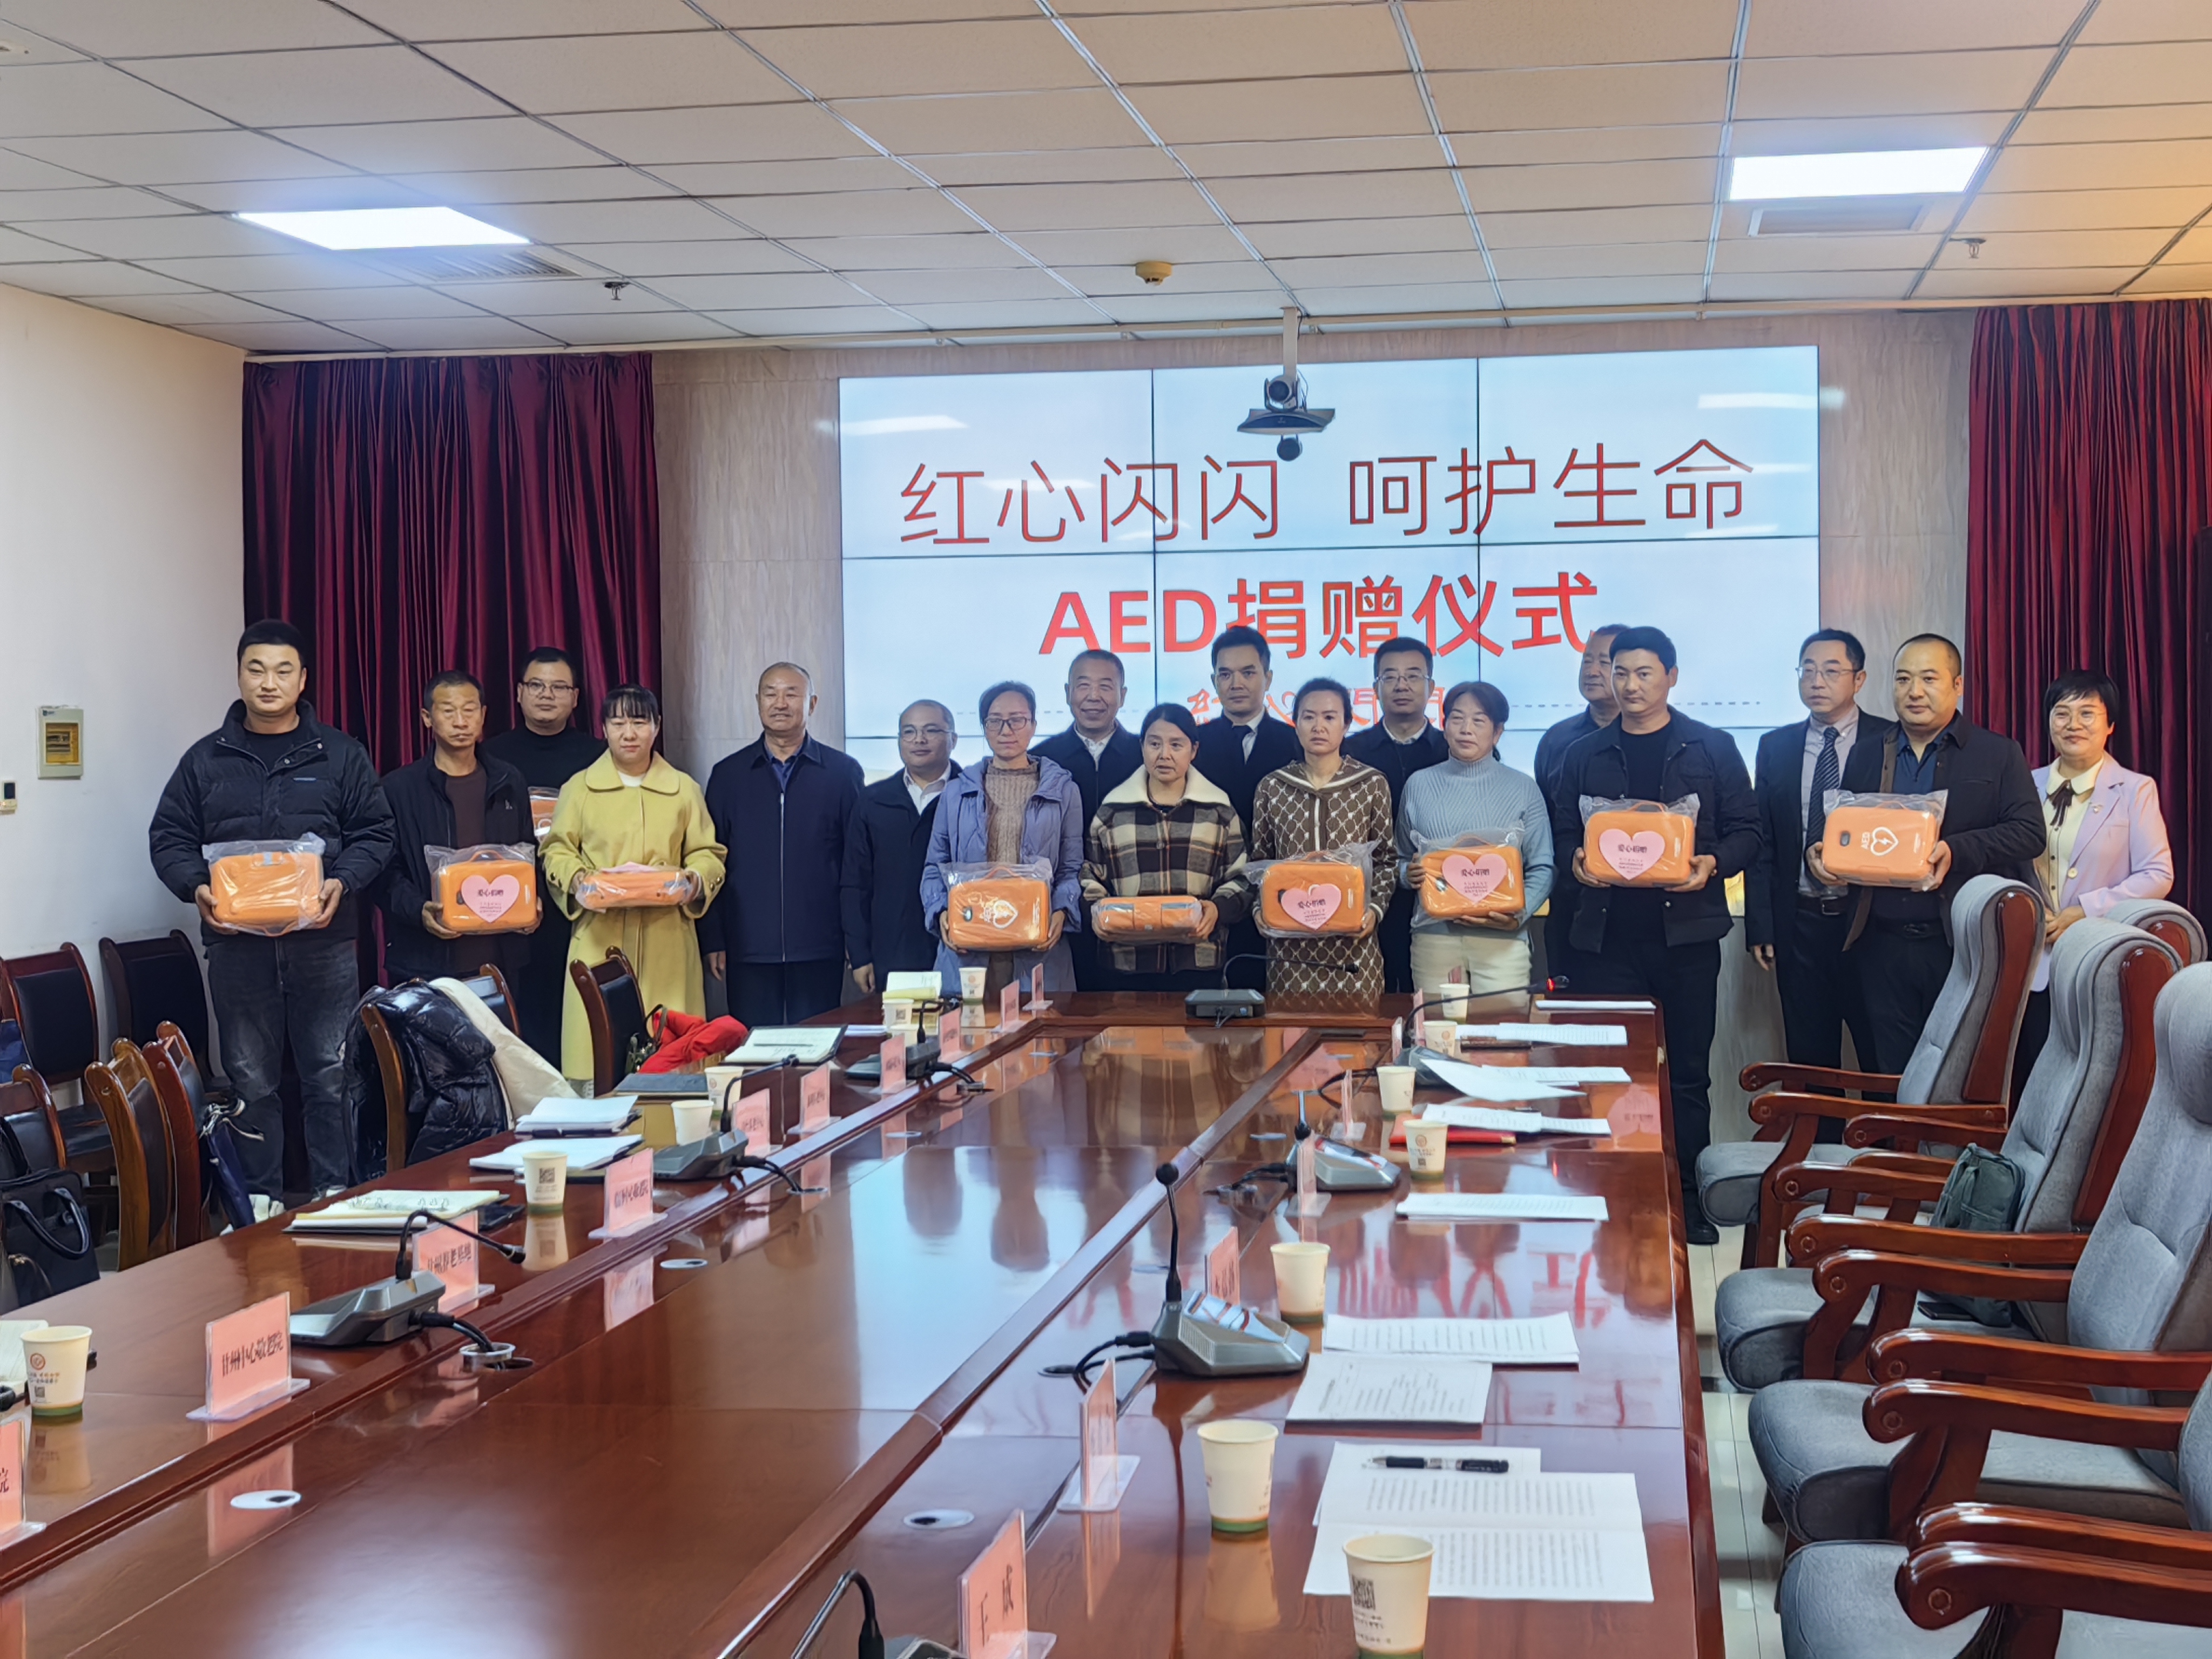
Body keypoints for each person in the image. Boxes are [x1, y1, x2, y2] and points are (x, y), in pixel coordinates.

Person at [148, 619, 395, 1201]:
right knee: (251, 1083)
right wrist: (196, 888)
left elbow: (376, 832)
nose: (268, 682)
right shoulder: (205, 760)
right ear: (239, 676)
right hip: (238, 950)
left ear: (303, 679)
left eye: (283, 671)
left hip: (323, 945)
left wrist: (342, 882)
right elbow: (169, 838)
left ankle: (336, 1196)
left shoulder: (340, 754)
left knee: (332, 1075)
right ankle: (258, 1205)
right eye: (256, 669)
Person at [1553, 626, 1758, 1243]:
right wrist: (1575, 862)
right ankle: (1617, 1187)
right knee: (1610, 1072)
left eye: (1643, 673)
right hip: (1605, 941)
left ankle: (1686, 1198)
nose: (1630, 685)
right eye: (1620, 672)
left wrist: (1712, 863)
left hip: (1686, 940)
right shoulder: (1583, 752)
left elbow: (1748, 831)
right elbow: (1561, 832)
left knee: (1687, 1074)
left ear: (1670, 677)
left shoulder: (1711, 746)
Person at [1812, 635, 2045, 1078]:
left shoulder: (1997, 753)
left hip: (1960, 944)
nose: (1914, 691)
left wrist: (1957, 850)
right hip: (1880, 943)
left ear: (1958, 685)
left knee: (1960, 1075)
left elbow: (2029, 833)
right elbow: (1850, 829)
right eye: (1903, 679)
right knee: (1892, 1074)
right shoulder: (1867, 752)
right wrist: (1827, 857)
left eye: (1929, 679)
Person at [541, 686, 726, 1084]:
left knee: (673, 1056)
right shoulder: (580, 788)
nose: (629, 733)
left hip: (668, 942)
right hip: (599, 939)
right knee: (598, 1061)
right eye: (618, 722)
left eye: (640, 722)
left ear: (656, 727)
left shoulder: (684, 789)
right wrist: (578, 881)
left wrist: (693, 882)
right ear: (604, 729)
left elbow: (708, 853)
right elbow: (555, 850)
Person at [1746, 630, 1894, 1084]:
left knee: (1881, 1058)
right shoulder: (1776, 746)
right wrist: (1762, 925)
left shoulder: (1890, 740)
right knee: (1810, 1062)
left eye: (1831, 671)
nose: (1816, 681)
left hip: (1870, 925)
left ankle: (1882, 1135)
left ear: (1859, 679)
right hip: (1801, 924)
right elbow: (1763, 840)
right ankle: (1818, 1133)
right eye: (1807, 669)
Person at [2016, 669, 2173, 1073]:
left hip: (2098, 957)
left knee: (2091, 1078)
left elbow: (2158, 873)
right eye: (2062, 713)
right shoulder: (2024, 784)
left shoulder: (2135, 789)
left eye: (2087, 713)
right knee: (2030, 1074)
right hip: (2031, 963)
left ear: (2110, 724)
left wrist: (2085, 910)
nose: (2073, 724)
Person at [703, 663, 864, 1027]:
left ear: (812, 704)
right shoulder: (728, 775)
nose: (780, 703)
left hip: (820, 943)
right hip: (748, 945)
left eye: (792, 694)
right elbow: (711, 859)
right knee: (754, 1047)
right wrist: (713, 938)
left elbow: (855, 863)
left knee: (817, 1046)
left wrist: (855, 940)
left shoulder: (843, 773)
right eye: (771, 694)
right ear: (758, 702)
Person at [922, 682, 1084, 999]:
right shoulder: (956, 792)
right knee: (969, 1029)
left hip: (1037, 946)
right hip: (969, 947)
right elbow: (934, 867)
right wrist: (940, 911)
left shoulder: (1063, 790)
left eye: (1017, 720)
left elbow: (1072, 867)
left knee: (1041, 1029)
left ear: (1033, 725)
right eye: (995, 721)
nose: (1006, 730)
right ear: (984, 728)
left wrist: (1062, 911)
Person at [484, 646, 603, 1063]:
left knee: (577, 1023)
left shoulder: (599, 758)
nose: (547, 695)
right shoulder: (489, 757)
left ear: (576, 697)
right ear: (518, 693)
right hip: (507, 912)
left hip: (579, 910)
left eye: (559, 687)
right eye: (536, 685)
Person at [378, 670, 534, 987]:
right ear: (427, 718)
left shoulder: (508, 780)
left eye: (469, 710)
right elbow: (384, 873)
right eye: (448, 711)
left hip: (501, 960)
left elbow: (528, 853)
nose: (461, 722)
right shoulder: (398, 788)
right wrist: (419, 911)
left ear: (483, 715)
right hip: (426, 962)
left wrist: (533, 900)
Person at [1396, 680, 1553, 995]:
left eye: (1479, 720)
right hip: (1434, 937)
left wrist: (1518, 916)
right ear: (1444, 726)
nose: (1466, 729)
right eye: (1457, 718)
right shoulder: (1418, 785)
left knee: (1503, 1024)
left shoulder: (1523, 788)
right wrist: (1405, 874)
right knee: (1438, 1023)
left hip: (1503, 940)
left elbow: (1542, 866)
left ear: (1498, 732)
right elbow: (1399, 856)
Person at [1081, 703, 1251, 992]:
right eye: (1155, 744)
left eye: (1176, 745)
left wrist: (1217, 909)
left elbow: (1242, 877)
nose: (1165, 755)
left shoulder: (1219, 811)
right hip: (1126, 965)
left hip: (1199, 963)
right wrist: (1096, 911)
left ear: (1194, 750)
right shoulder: (1112, 812)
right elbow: (1090, 875)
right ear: (1142, 747)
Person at [1247, 678, 1396, 1003]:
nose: (1319, 727)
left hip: (1354, 948)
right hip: (1290, 950)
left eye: (1330, 717)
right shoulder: (1272, 787)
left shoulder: (1371, 784)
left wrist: (1374, 910)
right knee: (1290, 1031)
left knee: (1360, 1033)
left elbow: (1386, 861)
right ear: (1295, 723)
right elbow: (1259, 863)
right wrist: (1260, 910)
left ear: (1347, 724)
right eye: (1309, 717)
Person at [1195, 625, 1301, 989]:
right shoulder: (1193, 744)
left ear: (1268, 678)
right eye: (1225, 674)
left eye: (1248, 673)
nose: (1236, 684)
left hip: (1282, 896)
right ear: (1214, 681)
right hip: (1211, 898)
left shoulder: (1296, 741)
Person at [1031, 648, 1143, 991]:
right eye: (1083, 686)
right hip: (1058, 913)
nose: (1094, 696)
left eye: (1106, 686)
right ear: (1068, 693)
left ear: (1123, 696)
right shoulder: (1041, 761)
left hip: (1131, 910)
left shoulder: (1145, 754)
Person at [1345, 636, 1449, 994]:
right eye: (1390, 677)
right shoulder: (1350, 752)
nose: (1401, 685)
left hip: (1440, 897)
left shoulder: (1452, 748)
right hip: (1368, 898)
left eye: (1413, 676)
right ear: (1375, 688)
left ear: (1431, 686)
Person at [1532, 622, 1630, 988]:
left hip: (1639, 910)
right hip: (1573, 907)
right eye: (1587, 660)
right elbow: (1546, 820)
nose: (1592, 671)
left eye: (1605, 662)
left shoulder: (1659, 738)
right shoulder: (1557, 740)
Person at [844, 699, 963, 995]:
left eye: (931, 730)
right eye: (909, 732)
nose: (919, 740)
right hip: (893, 952)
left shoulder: (972, 793)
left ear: (953, 739)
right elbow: (855, 882)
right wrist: (860, 955)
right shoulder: (873, 800)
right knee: (900, 1025)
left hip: (963, 949)